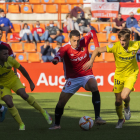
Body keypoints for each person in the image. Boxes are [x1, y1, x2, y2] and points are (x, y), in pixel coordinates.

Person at [49, 30, 106, 130]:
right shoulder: (65, 47)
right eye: (74, 41)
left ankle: (97, 118)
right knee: (61, 103)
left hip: (86, 74)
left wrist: (97, 47)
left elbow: (92, 32)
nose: (76, 43)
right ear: (69, 39)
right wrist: (56, 60)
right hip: (73, 78)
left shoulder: (84, 40)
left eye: (78, 40)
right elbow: (58, 54)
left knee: (94, 85)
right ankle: (57, 124)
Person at [83, 29, 139, 128]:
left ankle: (126, 106)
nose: (122, 42)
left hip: (131, 74)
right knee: (118, 101)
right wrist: (91, 60)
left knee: (124, 96)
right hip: (119, 75)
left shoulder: (135, 44)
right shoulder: (115, 46)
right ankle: (121, 119)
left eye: (124, 40)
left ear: (129, 39)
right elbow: (97, 50)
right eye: (121, 40)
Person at [0, 44, 52, 130]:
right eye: (4, 54)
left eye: (7, 54)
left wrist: (30, 82)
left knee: (23, 95)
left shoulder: (10, 60)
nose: (7, 56)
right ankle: (21, 124)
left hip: (13, 80)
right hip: (2, 84)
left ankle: (43, 112)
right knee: (8, 102)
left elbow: (22, 69)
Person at [0, 28, 16, 122]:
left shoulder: (6, 45)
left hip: (4, 74)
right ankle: (2, 109)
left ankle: (3, 109)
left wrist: (15, 72)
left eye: (0, 33)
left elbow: (13, 60)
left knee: (8, 99)